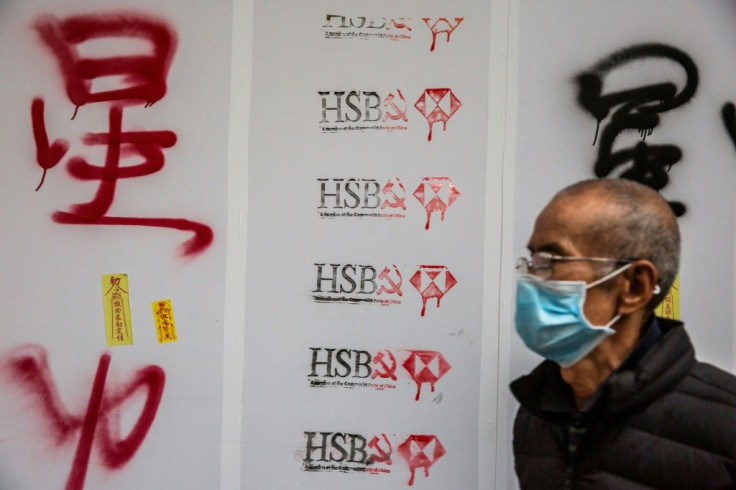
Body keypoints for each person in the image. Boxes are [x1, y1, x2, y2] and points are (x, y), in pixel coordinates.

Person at [510, 178, 736, 489]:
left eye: (550, 261)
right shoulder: (537, 413)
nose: (529, 278)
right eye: (531, 260)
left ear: (634, 286)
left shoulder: (726, 424)